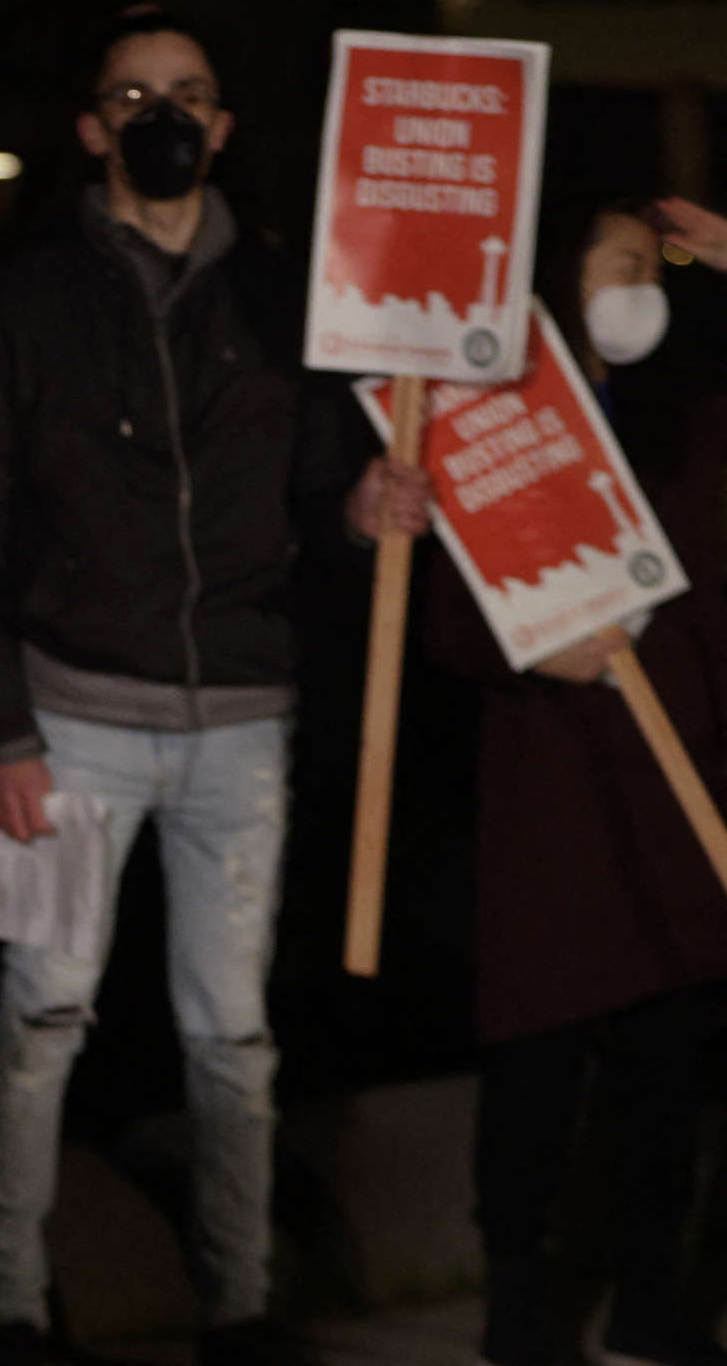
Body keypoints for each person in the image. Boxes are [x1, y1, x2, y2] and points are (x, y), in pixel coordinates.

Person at [0, 8, 414, 1366]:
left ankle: (240, 1307)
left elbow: (323, 487)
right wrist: (0, 728)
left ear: (226, 124)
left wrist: (365, 507)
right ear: (93, 125)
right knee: (39, 1022)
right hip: (68, 720)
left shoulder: (278, 295)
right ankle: (10, 1311)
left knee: (236, 1037)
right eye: (133, 93)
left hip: (243, 722)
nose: (163, 113)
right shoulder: (28, 302)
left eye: (188, 92)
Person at [421, 200, 727, 1366]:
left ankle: (650, 1300)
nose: (640, 283)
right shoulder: (488, 421)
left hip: (672, 777)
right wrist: (528, 641)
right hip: (547, 785)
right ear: (563, 279)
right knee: (536, 1061)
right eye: (619, 264)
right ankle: (518, 1300)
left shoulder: (697, 414)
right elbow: (446, 621)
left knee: (664, 1065)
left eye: (654, 267)